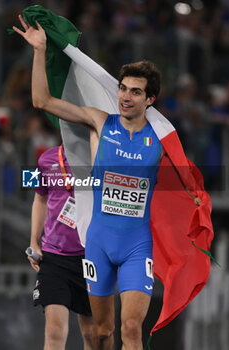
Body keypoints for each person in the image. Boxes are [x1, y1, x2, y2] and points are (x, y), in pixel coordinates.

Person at [14, 15, 201, 350]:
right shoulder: (100, 123)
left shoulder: (160, 140)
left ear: (150, 100)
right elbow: (43, 102)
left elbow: (184, 181)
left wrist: (194, 197)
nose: (126, 97)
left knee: (131, 328)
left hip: (135, 246)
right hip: (97, 243)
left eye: (136, 92)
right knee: (101, 334)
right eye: (123, 89)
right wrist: (40, 51)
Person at [28, 144, 93, 350]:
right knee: (55, 330)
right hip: (54, 257)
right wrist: (34, 241)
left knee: (94, 335)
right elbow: (39, 198)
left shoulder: (101, 158)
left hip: (92, 258)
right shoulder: (45, 160)